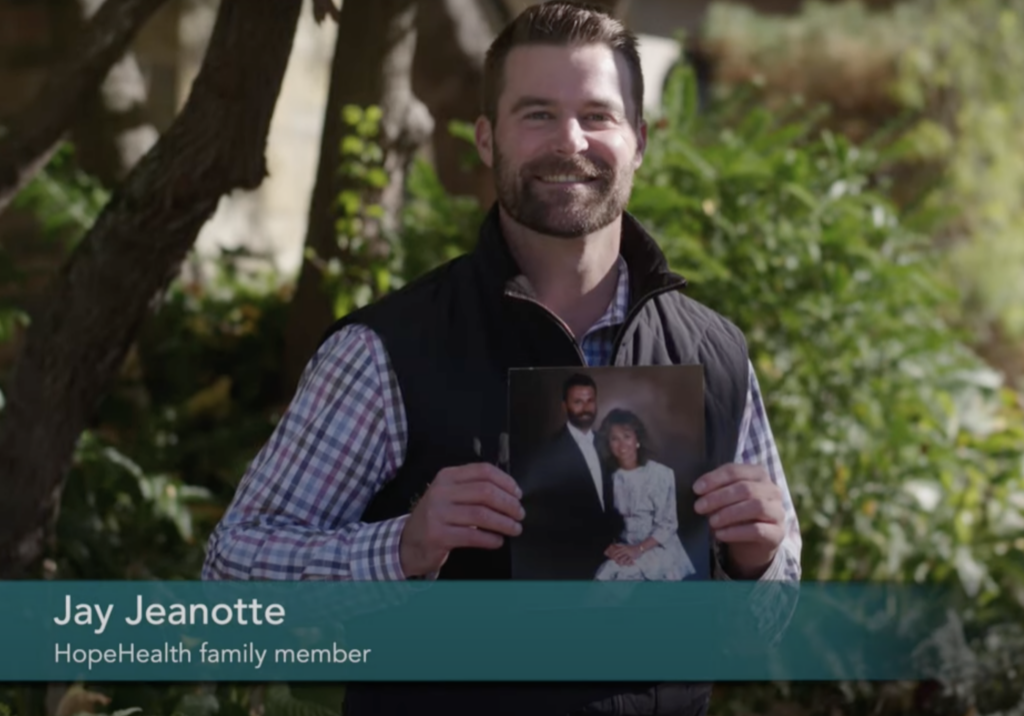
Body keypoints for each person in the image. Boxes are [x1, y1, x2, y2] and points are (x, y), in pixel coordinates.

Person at [203, 2, 802, 714]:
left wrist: (757, 563)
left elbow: (760, 622)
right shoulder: (385, 352)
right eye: (537, 114)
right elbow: (231, 577)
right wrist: (400, 549)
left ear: (640, 139)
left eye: (598, 115)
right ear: (487, 139)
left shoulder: (715, 354)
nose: (570, 140)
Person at [512, 374, 624, 579]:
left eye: (590, 401)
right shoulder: (548, 453)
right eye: (578, 402)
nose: (585, 408)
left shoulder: (609, 444)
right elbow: (551, 520)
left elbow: (615, 501)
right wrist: (599, 546)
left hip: (614, 565)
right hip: (572, 568)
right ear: (564, 406)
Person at [593, 409, 696, 582]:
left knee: (619, 575)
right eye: (614, 439)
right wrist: (610, 548)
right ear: (608, 444)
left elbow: (668, 525)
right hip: (624, 548)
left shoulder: (660, 474)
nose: (622, 444)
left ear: (637, 439)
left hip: (657, 548)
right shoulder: (608, 477)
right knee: (605, 573)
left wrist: (637, 549)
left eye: (627, 436)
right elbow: (602, 521)